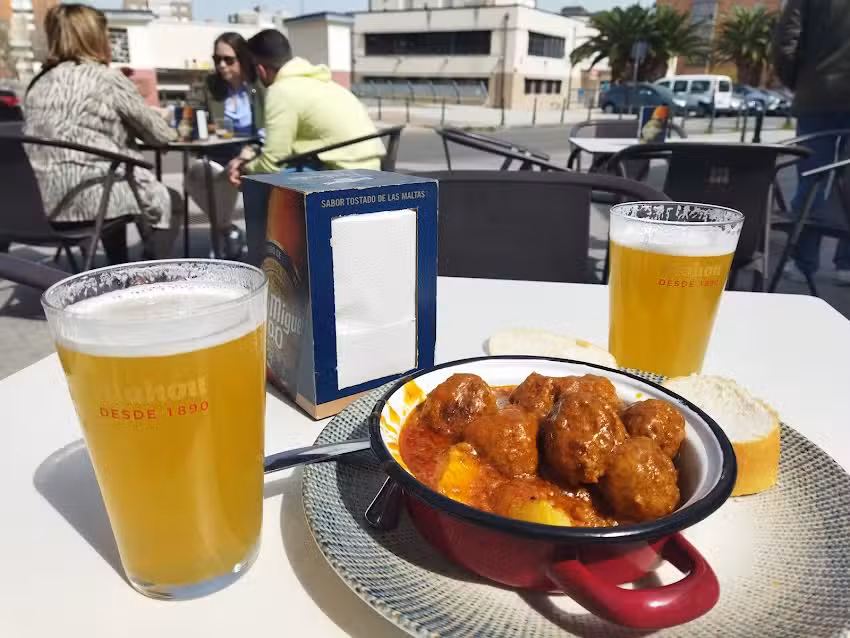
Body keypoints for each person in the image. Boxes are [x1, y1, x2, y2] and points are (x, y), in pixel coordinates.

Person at [23, 3, 181, 261]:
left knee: (111, 183)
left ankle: (116, 271)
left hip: (45, 206)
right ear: (96, 36)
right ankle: (151, 277)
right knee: (168, 201)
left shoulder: (36, 84)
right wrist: (157, 116)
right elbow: (161, 136)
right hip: (96, 199)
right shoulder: (106, 79)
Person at [227, 29, 385, 187]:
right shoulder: (322, 82)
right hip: (373, 172)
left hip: (344, 181)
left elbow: (272, 161)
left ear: (260, 69)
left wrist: (245, 170)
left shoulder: (281, 90)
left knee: (259, 181)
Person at [774, 0, 850, 284]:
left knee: (810, 180)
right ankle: (847, 263)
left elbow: (786, 40)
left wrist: (800, 82)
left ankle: (803, 260)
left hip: (817, 96)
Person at [187, 32, 265, 258]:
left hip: (252, 151)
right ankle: (226, 229)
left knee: (234, 175)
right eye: (217, 59)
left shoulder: (258, 85)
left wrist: (247, 154)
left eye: (228, 59)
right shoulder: (211, 85)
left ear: (242, 58)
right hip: (217, 152)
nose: (221, 65)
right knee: (195, 175)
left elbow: (268, 126)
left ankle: (230, 235)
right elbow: (193, 114)